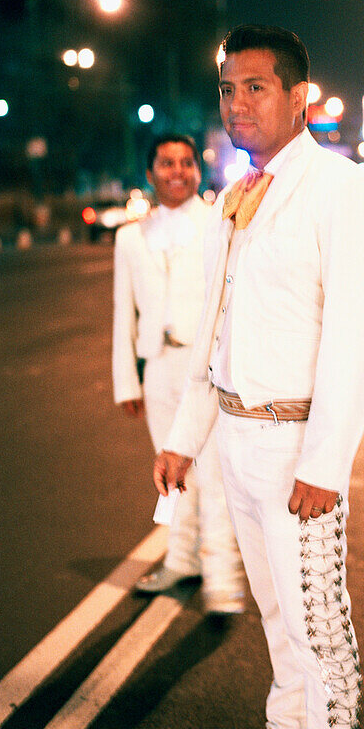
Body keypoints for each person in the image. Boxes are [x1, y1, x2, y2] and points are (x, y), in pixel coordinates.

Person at [154, 25, 364, 729]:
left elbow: (358, 339)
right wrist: (186, 435)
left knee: (322, 633)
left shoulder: (343, 191)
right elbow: (218, 327)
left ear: (300, 97)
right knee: (275, 617)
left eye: (254, 88)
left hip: (299, 449)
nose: (236, 104)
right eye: (226, 89)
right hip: (238, 438)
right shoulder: (239, 195)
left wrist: (324, 462)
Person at [112, 134, 245, 616]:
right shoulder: (130, 237)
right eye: (166, 163)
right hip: (159, 367)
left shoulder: (218, 225)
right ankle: (182, 561)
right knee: (172, 475)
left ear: (197, 171)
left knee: (213, 475)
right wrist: (126, 381)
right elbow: (121, 312)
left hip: (204, 369)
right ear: (150, 173)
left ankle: (224, 579)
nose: (177, 171)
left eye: (186, 163)